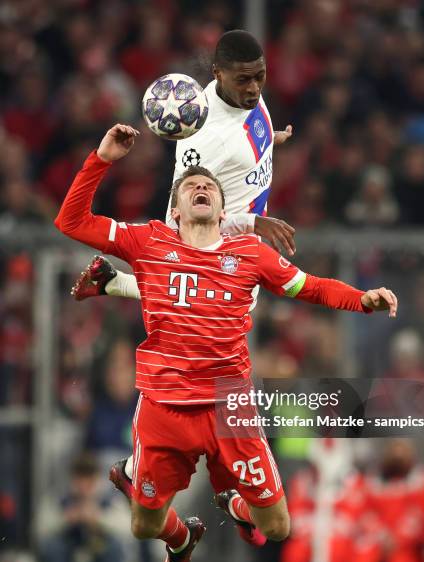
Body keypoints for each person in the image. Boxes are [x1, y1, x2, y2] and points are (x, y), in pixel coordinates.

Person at [55, 123, 398, 562]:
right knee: (144, 527)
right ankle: (182, 539)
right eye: (191, 185)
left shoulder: (250, 254)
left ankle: (232, 504)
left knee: (277, 527)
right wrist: (103, 157)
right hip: (164, 406)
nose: (201, 188)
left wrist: (364, 298)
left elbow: (312, 287)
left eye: (210, 187)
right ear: (175, 208)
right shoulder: (147, 242)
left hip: (229, 404)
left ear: (223, 209)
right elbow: (70, 222)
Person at [72, 29, 295, 492]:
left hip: (228, 244)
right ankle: (191, 473)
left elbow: (245, 133)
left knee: (215, 323)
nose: (255, 87)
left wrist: (269, 139)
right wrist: (252, 225)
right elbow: (192, 209)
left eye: (260, 77)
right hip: (213, 242)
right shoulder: (206, 140)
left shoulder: (245, 99)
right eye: (244, 80)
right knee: (222, 322)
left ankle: (115, 284)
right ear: (218, 75)